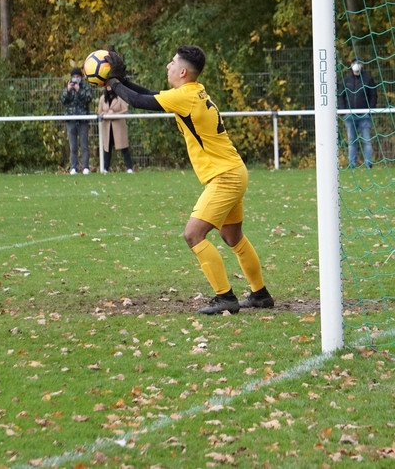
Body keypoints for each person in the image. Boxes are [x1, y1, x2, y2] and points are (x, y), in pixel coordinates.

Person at [104, 45, 274, 314]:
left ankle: (225, 297)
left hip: (225, 177)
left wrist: (113, 81)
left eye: (172, 63)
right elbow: (148, 95)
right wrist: (121, 81)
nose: (167, 67)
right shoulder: (193, 92)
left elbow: (139, 102)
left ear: (183, 71)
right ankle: (260, 295)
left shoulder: (184, 97)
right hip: (234, 171)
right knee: (233, 236)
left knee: (193, 234)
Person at [338, 58, 378, 168]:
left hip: (364, 115)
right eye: (354, 63)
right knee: (351, 140)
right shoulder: (346, 80)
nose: (356, 65)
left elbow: (373, 95)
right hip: (349, 115)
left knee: (367, 140)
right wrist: (344, 112)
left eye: (358, 63)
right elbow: (341, 96)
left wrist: (370, 111)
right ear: (351, 65)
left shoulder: (368, 79)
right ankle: (352, 164)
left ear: (362, 65)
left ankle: (368, 163)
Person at [61, 68, 93, 175]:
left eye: (77, 77)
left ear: (81, 77)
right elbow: (63, 100)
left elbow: (88, 99)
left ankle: (85, 167)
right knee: (73, 146)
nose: (75, 79)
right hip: (71, 120)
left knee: (84, 145)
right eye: (74, 77)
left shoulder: (86, 87)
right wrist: (68, 90)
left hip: (83, 119)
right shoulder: (68, 87)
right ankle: (74, 167)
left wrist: (79, 90)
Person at [98, 87, 134, 174]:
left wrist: (115, 114)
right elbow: (99, 112)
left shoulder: (120, 97)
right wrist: (106, 114)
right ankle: (106, 168)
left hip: (119, 127)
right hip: (107, 127)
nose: (109, 87)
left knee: (124, 147)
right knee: (107, 148)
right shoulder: (103, 98)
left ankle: (129, 168)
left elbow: (125, 110)